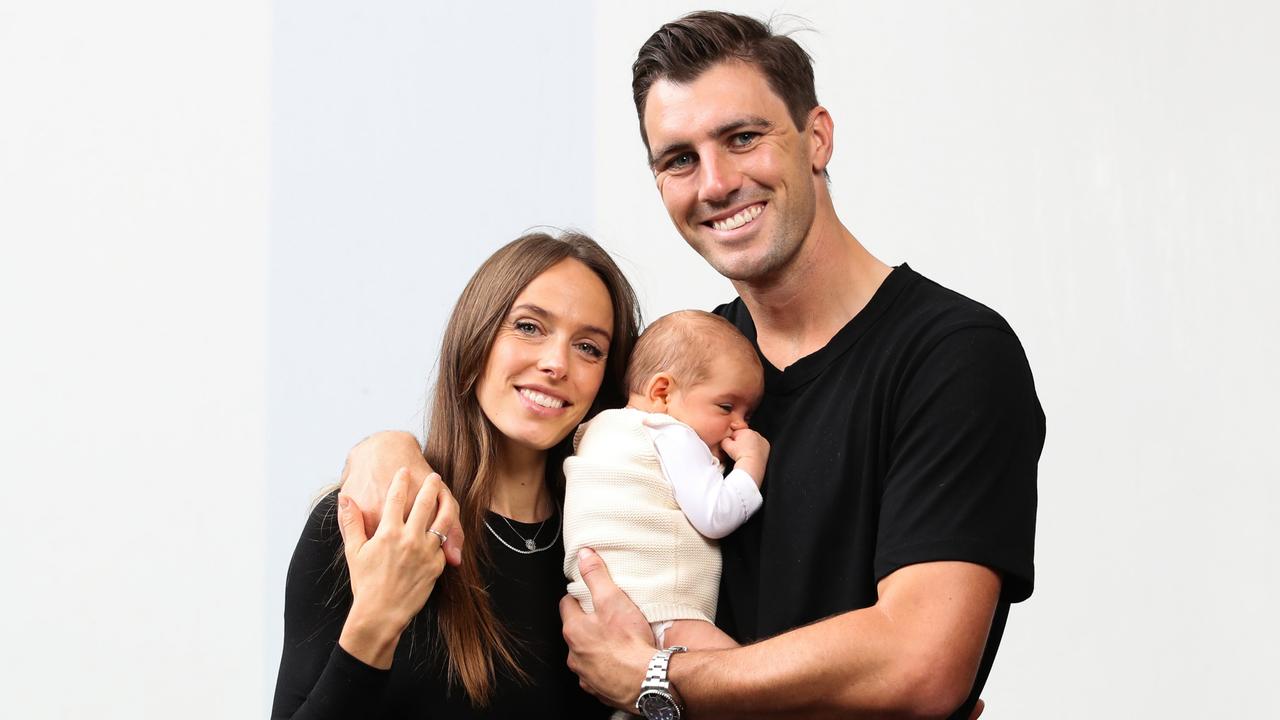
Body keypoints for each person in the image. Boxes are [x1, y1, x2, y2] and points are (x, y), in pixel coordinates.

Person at [556, 11, 1045, 720]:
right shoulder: (673, 369)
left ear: (817, 137)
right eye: (679, 159)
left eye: (743, 138)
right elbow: (508, 479)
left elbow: (919, 663)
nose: (716, 183)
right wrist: (384, 460)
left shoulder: (953, 356)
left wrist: (659, 677)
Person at [271, 231, 641, 719]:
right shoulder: (370, 525)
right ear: (477, 336)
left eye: (589, 347)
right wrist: (376, 620)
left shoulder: (617, 546)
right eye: (529, 327)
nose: (556, 363)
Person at [562, 310, 769, 651]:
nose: (740, 426)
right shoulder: (671, 433)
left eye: (747, 415)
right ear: (662, 393)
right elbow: (715, 515)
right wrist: (750, 464)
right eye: (726, 406)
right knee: (752, 682)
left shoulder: (595, 431)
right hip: (665, 609)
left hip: (599, 609)